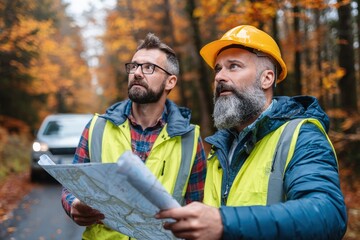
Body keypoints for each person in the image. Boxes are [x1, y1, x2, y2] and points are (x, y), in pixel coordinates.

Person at [156, 25, 347, 239]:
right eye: (217, 69)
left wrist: (225, 223)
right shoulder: (219, 148)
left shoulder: (302, 135)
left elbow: (328, 214)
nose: (220, 77)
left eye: (234, 66)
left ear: (267, 79)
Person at [61, 33, 207, 239]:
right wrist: (73, 204)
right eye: (134, 66)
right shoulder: (97, 127)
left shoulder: (190, 139)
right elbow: (71, 186)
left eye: (149, 68)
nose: (137, 73)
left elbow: (197, 209)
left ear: (170, 82)